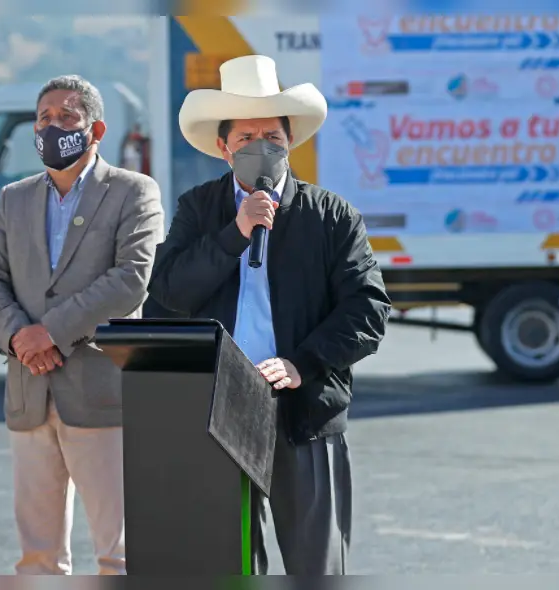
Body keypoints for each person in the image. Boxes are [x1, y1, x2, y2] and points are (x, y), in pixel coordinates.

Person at [147, 55, 391, 575]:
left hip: (304, 410)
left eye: (273, 137)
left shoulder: (331, 217)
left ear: (291, 142)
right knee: (225, 564)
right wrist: (235, 233)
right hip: (217, 407)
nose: (262, 148)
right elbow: (168, 291)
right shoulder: (198, 209)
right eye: (247, 138)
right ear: (223, 147)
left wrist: (304, 362)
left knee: (316, 565)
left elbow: (368, 309)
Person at [0, 75, 164, 575]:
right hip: (29, 390)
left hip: (102, 392)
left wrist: (50, 331)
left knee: (121, 555)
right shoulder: (14, 198)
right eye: (43, 119)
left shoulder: (133, 192)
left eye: (66, 118)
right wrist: (19, 337)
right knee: (37, 560)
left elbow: (130, 280)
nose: (52, 127)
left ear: (95, 129)